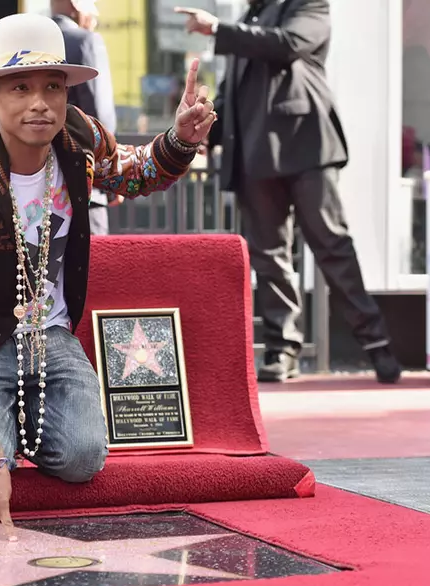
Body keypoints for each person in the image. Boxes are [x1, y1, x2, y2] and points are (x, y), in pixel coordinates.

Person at [0, 13, 215, 528]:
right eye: (21, 87)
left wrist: (180, 139)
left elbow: (130, 172)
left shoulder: (78, 136)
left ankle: (16, 422)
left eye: (53, 87)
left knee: (83, 458)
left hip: (52, 335)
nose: (41, 102)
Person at [176, 1, 402, 384]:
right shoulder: (249, 18)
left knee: (331, 244)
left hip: (306, 145)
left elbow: (288, 44)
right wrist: (207, 130)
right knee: (268, 256)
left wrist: (218, 30)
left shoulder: (308, 4)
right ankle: (283, 350)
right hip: (254, 153)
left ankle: (376, 343)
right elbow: (236, 93)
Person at [50, 0, 117, 235]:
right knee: (95, 267)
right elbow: (100, 117)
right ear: (77, 5)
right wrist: (111, 180)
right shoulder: (86, 40)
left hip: (33, 189)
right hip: (83, 183)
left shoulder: (29, 44)